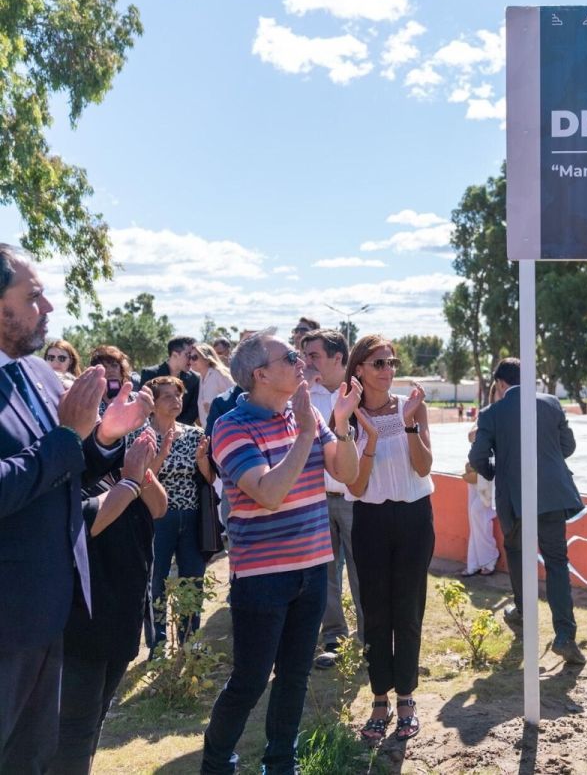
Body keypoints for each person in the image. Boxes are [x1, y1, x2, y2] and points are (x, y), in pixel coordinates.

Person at [0, 243, 152, 770]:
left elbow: (64, 465)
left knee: (38, 758)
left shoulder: (38, 375)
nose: (48, 308)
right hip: (8, 620)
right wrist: (69, 437)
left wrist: (104, 434)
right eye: (33, 296)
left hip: (57, 613)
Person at [202, 329, 360, 775]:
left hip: (311, 569)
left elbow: (346, 473)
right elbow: (269, 492)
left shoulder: (305, 415)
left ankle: (280, 762)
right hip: (261, 578)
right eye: (289, 356)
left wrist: (341, 425)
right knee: (250, 681)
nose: (300, 361)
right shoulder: (231, 427)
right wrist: (307, 435)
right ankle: (216, 763)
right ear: (260, 374)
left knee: (294, 675)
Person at [49, 431, 168, 774]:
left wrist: (141, 472)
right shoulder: (67, 475)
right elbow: (89, 525)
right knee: (74, 727)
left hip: (122, 616)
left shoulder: (122, 463)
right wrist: (129, 482)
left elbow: (159, 508)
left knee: (96, 717)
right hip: (82, 622)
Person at [343, 335, 434, 742]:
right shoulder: (347, 414)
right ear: (359, 368)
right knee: (375, 612)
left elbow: (423, 466)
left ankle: (407, 699)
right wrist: (370, 443)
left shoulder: (411, 407)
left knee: (409, 610)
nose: (388, 369)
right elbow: (357, 487)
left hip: (415, 516)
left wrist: (411, 423)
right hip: (370, 518)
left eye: (392, 362)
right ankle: (379, 698)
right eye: (379, 362)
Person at [468, 357, 587, 666]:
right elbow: (568, 447)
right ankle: (564, 636)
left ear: (501, 384)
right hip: (552, 497)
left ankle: (522, 613)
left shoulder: (492, 413)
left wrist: (498, 468)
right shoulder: (551, 403)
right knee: (557, 563)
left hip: (516, 501)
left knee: (518, 556)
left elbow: (479, 458)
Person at [301, 328, 365, 670]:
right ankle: (334, 638)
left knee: (362, 571)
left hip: (357, 498)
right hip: (316, 497)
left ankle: (369, 640)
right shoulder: (301, 396)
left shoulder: (359, 392)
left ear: (338, 358)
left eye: (314, 356)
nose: (307, 363)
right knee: (324, 574)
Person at [143, 376, 214, 650]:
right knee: (156, 581)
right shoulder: (142, 435)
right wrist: (162, 451)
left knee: (192, 580)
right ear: (153, 404)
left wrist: (202, 461)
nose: (176, 401)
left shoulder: (195, 434)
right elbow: (143, 478)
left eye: (179, 395)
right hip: (157, 519)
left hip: (192, 516)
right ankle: (158, 643)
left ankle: (189, 640)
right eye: (168, 396)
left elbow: (209, 479)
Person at [461, 419, 499, 577]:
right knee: (473, 514)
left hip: (494, 472)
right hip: (478, 469)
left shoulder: (512, 412)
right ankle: (475, 562)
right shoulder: (487, 414)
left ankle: (490, 556)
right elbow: (471, 436)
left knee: (478, 511)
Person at [139, 336, 201, 426]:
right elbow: (144, 403)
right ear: (175, 355)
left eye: (194, 356)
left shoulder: (194, 379)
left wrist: (176, 428)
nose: (191, 360)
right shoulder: (150, 374)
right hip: (154, 429)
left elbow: (193, 409)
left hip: (182, 432)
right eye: (188, 355)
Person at [191, 342, 236, 428]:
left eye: (194, 357)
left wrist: (216, 409)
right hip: (210, 431)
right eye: (190, 357)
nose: (191, 361)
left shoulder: (219, 374)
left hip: (225, 429)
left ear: (207, 359)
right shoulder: (201, 377)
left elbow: (238, 398)